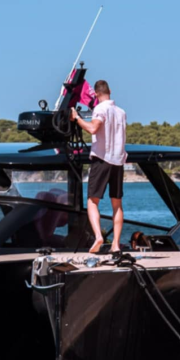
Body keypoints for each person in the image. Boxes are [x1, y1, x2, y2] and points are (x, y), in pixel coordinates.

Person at [71, 80, 127, 253]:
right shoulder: (121, 112)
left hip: (102, 159)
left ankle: (98, 237)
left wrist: (77, 118)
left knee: (92, 201)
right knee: (117, 204)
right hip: (118, 161)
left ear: (95, 94)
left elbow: (93, 128)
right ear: (110, 91)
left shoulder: (100, 109)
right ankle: (116, 245)